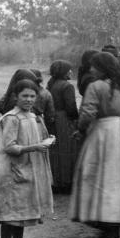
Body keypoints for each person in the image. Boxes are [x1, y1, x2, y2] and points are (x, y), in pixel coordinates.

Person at [70, 52, 120, 238]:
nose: (91, 70)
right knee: (115, 181)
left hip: (103, 134)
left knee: (98, 178)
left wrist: (81, 129)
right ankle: (113, 228)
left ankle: (106, 228)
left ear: (101, 68)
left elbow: (88, 112)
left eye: (94, 67)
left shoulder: (96, 86)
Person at [0, 79, 54, 238]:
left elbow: (38, 136)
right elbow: (10, 147)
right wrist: (35, 147)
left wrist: (47, 140)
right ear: (15, 96)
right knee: (10, 216)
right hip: (13, 173)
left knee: (21, 213)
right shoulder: (12, 118)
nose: (28, 99)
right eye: (24, 96)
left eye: (32, 96)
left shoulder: (33, 116)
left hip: (28, 169)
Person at [47, 60, 79, 193]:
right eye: (69, 70)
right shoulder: (67, 86)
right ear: (64, 72)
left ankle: (56, 181)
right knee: (67, 150)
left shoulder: (51, 84)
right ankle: (66, 182)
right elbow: (71, 107)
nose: (71, 72)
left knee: (55, 151)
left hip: (53, 119)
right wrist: (76, 120)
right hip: (64, 120)